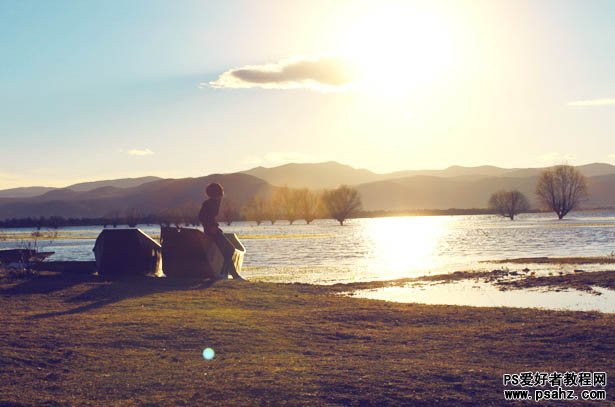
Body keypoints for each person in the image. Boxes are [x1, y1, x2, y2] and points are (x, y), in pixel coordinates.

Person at [199, 182, 244, 280]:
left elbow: (206, 217)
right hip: (212, 231)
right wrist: (211, 227)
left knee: (227, 251)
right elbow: (202, 217)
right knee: (230, 250)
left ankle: (233, 275)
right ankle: (225, 274)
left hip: (213, 229)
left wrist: (212, 225)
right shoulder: (210, 203)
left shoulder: (213, 202)